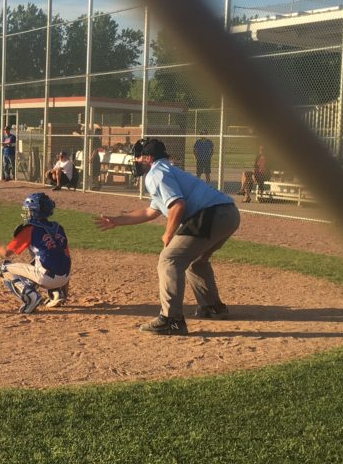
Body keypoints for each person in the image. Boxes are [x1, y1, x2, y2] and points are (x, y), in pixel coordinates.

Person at [95, 138, 240, 335]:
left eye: (138, 157)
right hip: (228, 213)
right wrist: (117, 220)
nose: (136, 161)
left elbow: (178, 205)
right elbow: (150, 211)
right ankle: (212, 307)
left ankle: (172, 319)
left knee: (169, 259)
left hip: (211, 214)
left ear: (148, 157)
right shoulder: (165, 170)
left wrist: (168, 234)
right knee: (196, 259)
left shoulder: (156, 173)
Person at [0, 192, 71, 313]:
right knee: (50, 259)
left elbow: (5, 253)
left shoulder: (30, 229)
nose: (27, 212)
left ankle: (31, 297)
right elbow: (66, 257)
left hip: (46, 278)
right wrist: (64, 285)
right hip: (65, 278)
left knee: (4, 268)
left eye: (29, 210)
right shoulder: (58, 227)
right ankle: (58, 293)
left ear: (34, 211)